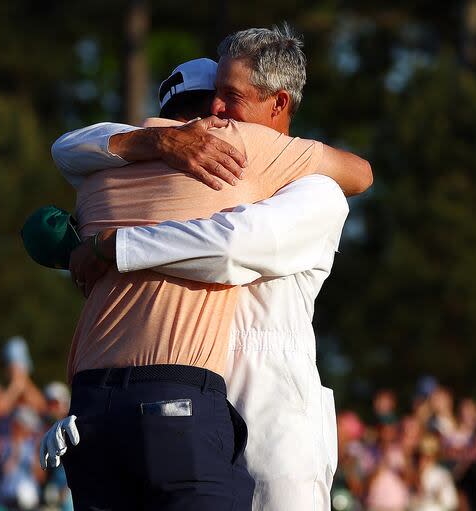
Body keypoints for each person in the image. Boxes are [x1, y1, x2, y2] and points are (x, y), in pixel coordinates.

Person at [41, 25, 372, 511]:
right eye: (184, 117)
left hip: (270, 421)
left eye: (225, 101)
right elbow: (72, 147)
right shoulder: (180, 160)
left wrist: (113, 247)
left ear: (278, 105)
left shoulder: (315, 192)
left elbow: (231, 246)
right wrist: (156, 146)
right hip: (188, 395)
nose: (209, 122)